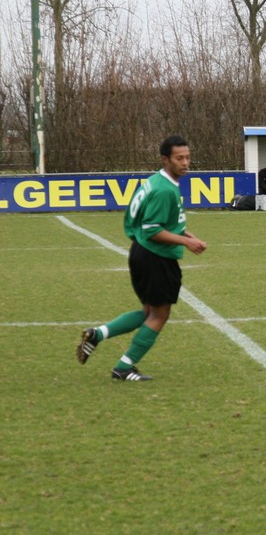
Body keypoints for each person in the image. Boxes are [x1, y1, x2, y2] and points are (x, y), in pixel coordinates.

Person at [76, 135, 208, 381]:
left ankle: (97, 334)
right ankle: (124, 368)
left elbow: (157, 221)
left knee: (149, 312)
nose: (185, 163)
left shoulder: (157, 181)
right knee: (160, 314)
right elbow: (152, 230)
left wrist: (184, 233)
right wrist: (186, 242)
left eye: (187, 157)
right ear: (165, 159)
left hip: (142, 253)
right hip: (155, 257)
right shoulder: (164, 190)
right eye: (179, 158)